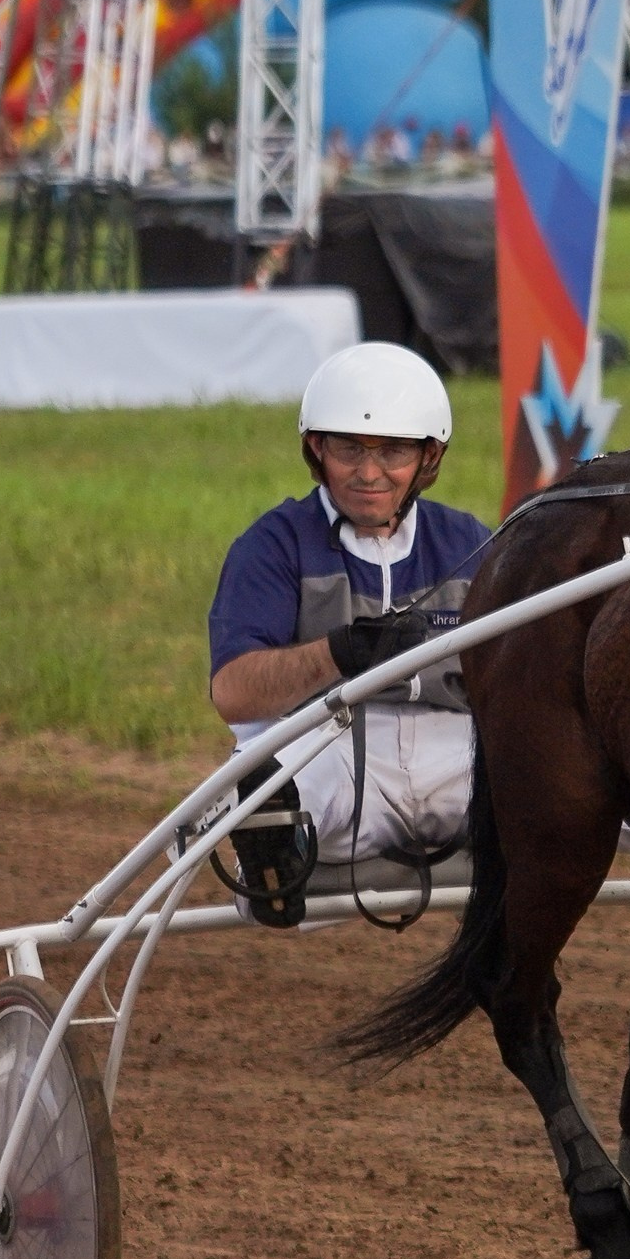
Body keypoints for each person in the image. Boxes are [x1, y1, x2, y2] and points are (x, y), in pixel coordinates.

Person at [208, 342, 490, 925]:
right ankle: (272, 866)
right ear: (317, 449)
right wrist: (339, 653)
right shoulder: (273, 545)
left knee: (578, 770)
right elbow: (234, 693)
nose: (368, 473)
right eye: (348, 449)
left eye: (392, 451)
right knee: (265, 782)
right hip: (330, 750)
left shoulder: (473, 545)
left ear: (428, 458)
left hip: (453, 752)